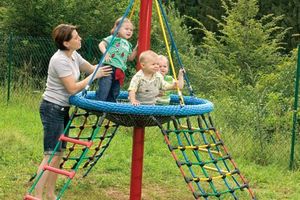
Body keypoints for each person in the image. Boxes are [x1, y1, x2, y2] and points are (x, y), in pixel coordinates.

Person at [34, 24, 112, 200]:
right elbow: (71, 88)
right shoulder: (59, 60)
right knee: (50, 154)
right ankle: (37, 196)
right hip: (51, 108)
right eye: (76, 37)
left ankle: (50, 194)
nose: (80, 39)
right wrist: (94, 77)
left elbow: (91, 69)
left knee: (58, 155)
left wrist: (108, 60)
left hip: (62, 109)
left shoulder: (74, 55)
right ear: (66, 43)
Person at [96, 17, 138, 102]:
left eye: (131, 30)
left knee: (115, 91)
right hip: (108, 66)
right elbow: (101, 44)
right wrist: (105, 52)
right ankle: (98, 105)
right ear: (117, 29)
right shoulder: (113, 38)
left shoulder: (128, 44)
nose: (129, 31)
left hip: (119, 71)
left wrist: (136, 48)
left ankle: (110, 109)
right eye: (126, 29)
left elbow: (130, 58)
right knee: (105, 87)